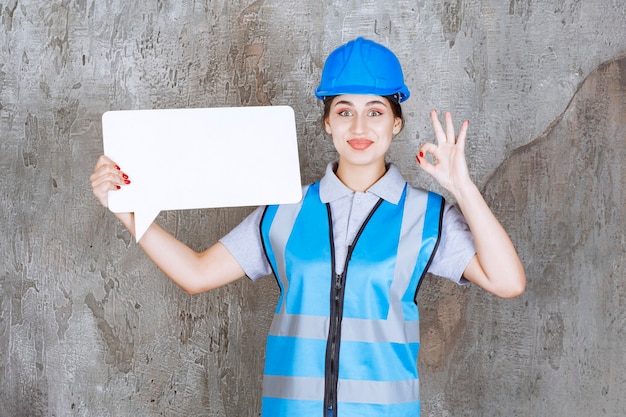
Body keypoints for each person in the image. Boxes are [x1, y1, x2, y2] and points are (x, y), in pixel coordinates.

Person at [90, 37, 525, 417]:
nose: (359, 126)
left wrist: (463, 188)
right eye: (344, 110)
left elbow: (507, 282)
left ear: (396, 122)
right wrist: (127, 211)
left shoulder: (426, 214)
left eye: (375, 111)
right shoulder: (285, 209)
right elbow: (196, 274)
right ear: (327, 122)